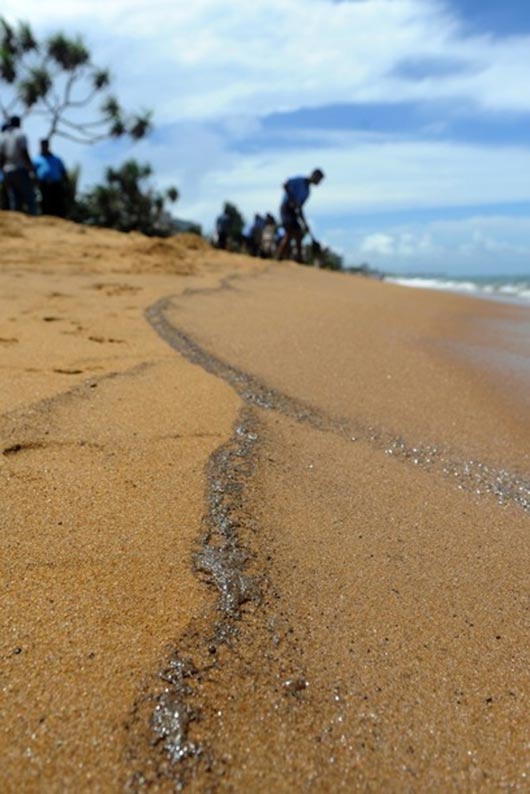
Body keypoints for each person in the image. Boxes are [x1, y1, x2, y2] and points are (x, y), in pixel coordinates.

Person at [276, 168, 324, 262]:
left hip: (294, 212)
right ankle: (279, 257)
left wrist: (305, 224)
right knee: (289, 233)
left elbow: (300, 209)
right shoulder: (299, 180)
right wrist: (291, 200)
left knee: (299, 234)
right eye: (319, 179)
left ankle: (299, 258)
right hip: (286, 208)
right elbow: (285, 185)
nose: (319, 182)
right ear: (314, 175)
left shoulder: (307, 192)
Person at [0, 116, 37, 215]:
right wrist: (31, 169)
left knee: (14, 199)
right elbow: (24, 152)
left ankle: (16, 222)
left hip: (7, 171)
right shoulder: (20, 134)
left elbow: (1, 157)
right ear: (19, 123)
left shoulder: (3, 136)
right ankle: (34, 221)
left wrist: (2, 171)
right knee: (30, 198)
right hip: (20, 169)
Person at [34, 139, 68, 217]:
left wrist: (67, 186)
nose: (44, 147)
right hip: (43, 186)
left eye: (45, 145)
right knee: (45, 204)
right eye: (42, 145)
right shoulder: (36, 159)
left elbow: (63, 172)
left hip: (56, 185)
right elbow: (33, 172)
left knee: (58, 204)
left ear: (48, 146)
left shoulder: (57, 159)